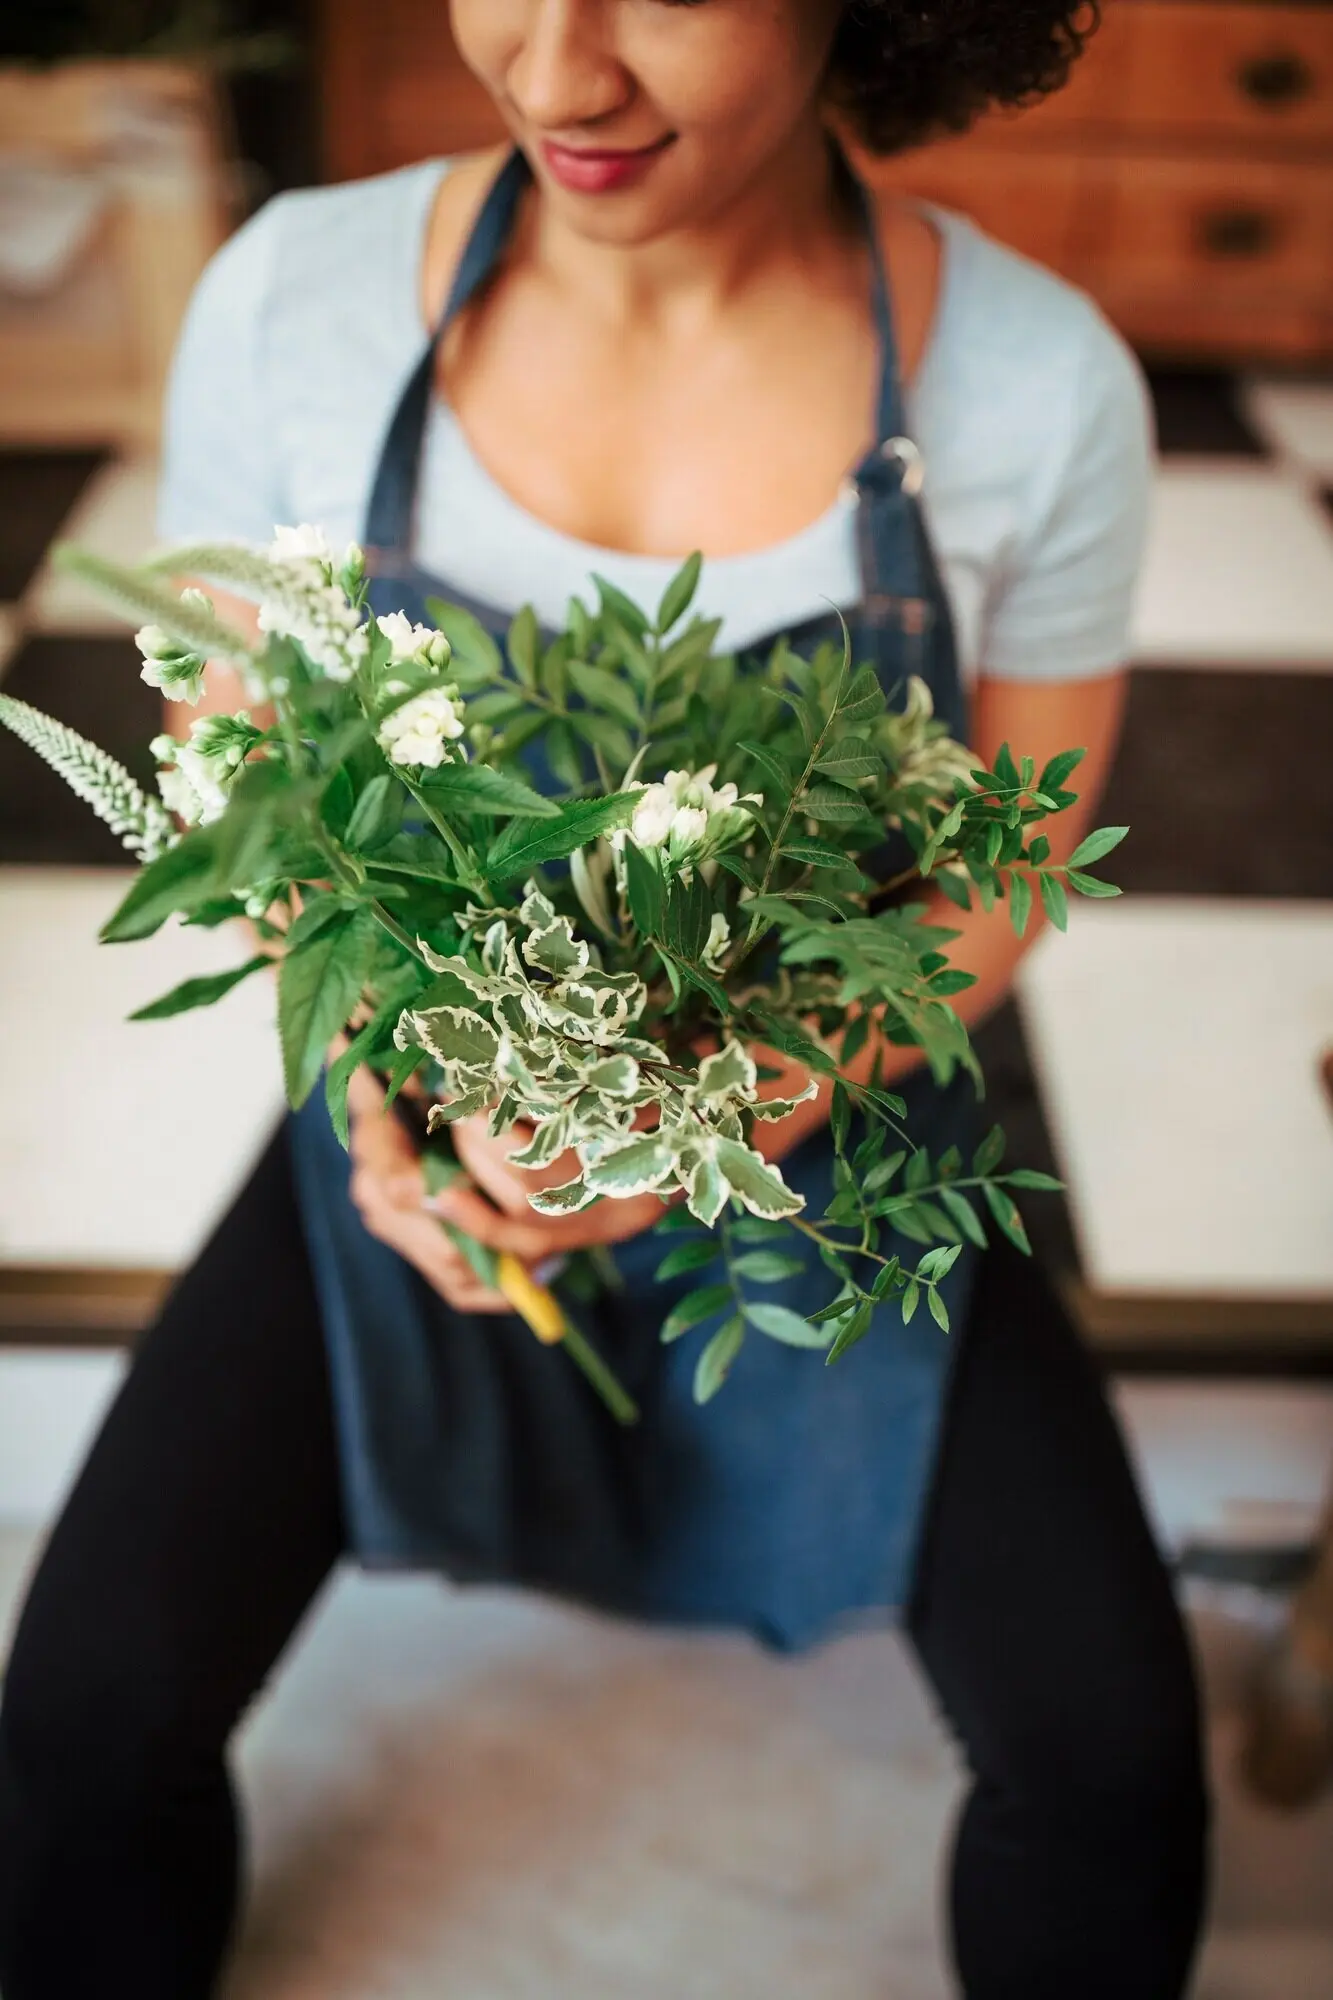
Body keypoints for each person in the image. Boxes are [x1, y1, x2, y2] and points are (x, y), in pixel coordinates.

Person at [0, 3, 1210, 1994]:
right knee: (81, 1717)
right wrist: (392, 1102)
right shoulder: (292, 297)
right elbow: (241, 750)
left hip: (824, 1149)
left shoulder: (1034, 384)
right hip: (435, 1113)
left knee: (1110, 1766)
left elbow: (1015, 856)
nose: (556, 75)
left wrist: (741, 1104)